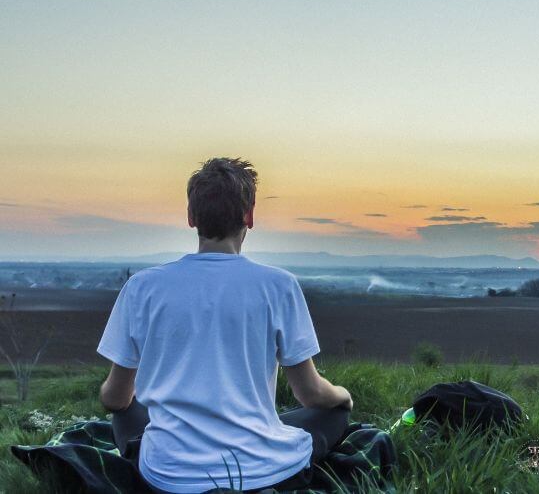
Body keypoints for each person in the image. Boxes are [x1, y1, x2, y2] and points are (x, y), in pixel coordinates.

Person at [96, 157, 353, 493]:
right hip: (262, 470)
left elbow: (114, 399)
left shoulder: (142, 287)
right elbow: (311, 395)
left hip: (168, 476)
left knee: (127, 411)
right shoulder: (278, 285)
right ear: (249, 216)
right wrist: (343, 396)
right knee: (333, 414)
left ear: (191, 217)